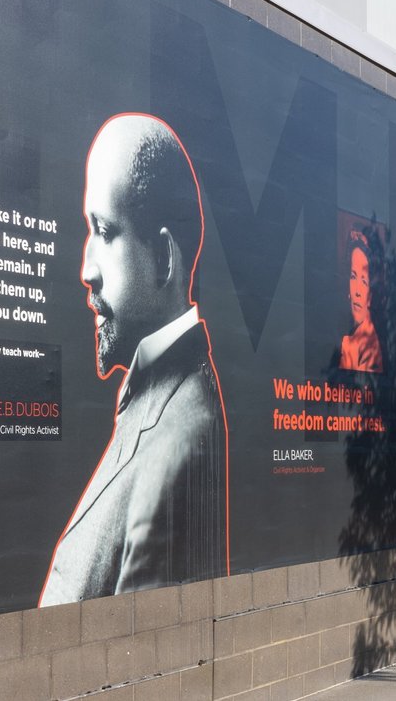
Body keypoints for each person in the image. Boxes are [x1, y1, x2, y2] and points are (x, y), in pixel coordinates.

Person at [41, 113, 229, 606]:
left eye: (104, 231)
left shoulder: (179, 443)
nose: (86, 269)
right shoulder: (153, 402)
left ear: (164, 259)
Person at [339, 229, 382, 372]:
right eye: (353, 276)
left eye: (364, 281)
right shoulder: (351, 337)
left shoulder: (369, 347)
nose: (357, 291)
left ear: (371, 294)